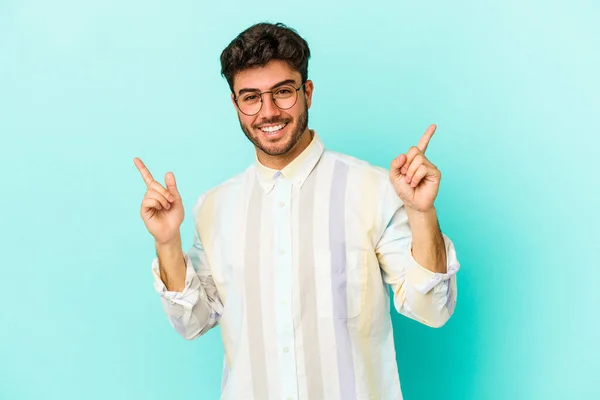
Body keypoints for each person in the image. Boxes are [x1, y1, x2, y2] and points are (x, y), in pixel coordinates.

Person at [134, 22, 460, 400]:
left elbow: (432, 310)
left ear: (307, 92)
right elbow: (192, 321)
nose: (268, 111)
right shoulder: (214, 207)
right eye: (251, 97)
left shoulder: (373, 190)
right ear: (236, 104)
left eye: (283, 92)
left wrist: (422, 214)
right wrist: (167, 242)